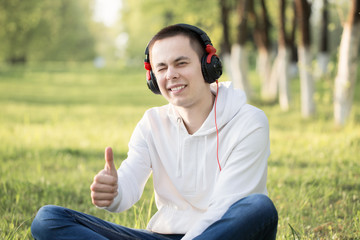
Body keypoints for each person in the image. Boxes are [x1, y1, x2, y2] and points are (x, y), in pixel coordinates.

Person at [31, 23, 278, 240]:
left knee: (258, 207)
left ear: (208, 65)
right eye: (161, 68)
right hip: (162, 235)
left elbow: (225, 207)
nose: (171, 75)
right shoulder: (152, 123)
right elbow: (129, 186)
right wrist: (115, 191)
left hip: (224, 233)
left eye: (181, 63)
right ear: (153, 78)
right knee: (48, 219)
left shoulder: (248, 122)